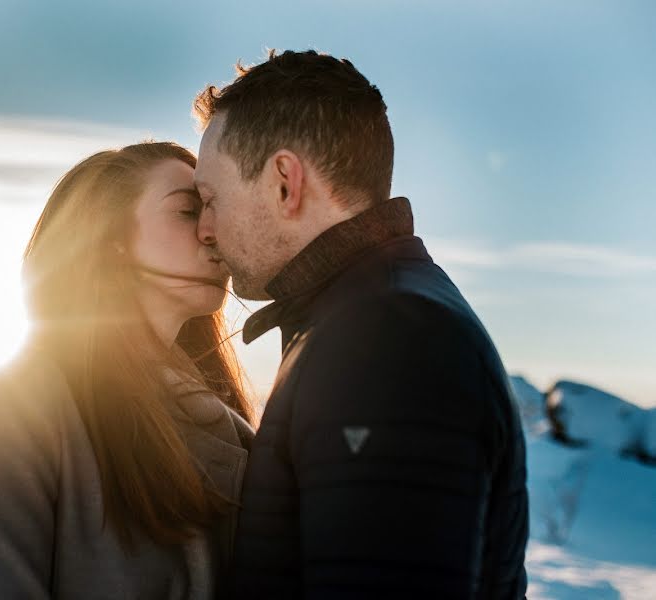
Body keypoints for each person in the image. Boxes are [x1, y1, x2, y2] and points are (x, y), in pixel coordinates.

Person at [193, 50, 529, 599]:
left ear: (284, 182)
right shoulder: (368, 314)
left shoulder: (389, 343)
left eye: (211, 199)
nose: (205, 228)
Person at [0, 142, 255, 599]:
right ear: (108, 238)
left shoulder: (231, 430)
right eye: (189, 211)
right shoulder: (3, 401)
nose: (214, 232)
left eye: (216, 210)